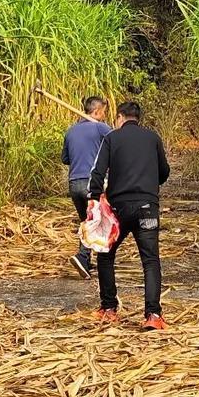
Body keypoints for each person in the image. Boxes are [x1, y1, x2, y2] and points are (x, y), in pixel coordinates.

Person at [88, 100, 171, 329]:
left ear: (120, 117)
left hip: (119, 209)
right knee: (150, 260)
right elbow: (164, 171)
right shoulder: (153, 138)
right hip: (147, 208)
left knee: (105, 254)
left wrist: (94, 199)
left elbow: (96, 173)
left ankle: (109, 308)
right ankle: (153, 315)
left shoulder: (112, 138)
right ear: (138, 118)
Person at [62, 96, 111, 278]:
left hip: (74, 183)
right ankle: (83, 257)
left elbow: (65, 159)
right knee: (98, 221)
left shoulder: (71, 131)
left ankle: (87, 259)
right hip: (92, 183)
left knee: (87, 221)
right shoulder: (100, 128)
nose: (104, 116)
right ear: (97, 111)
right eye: (103, 112)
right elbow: (117, 141)